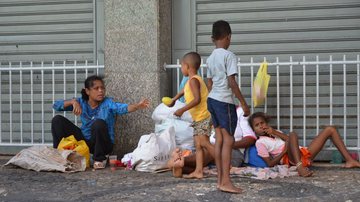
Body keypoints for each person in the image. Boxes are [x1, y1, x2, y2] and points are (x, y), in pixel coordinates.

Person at [51, 75, 150, 169]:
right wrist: (73, 102)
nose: (101, 91)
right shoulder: (81, 102)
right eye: (96, 88)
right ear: (87, 91)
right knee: (57, 120)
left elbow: (123, 108)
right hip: (85, 141)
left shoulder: (107, 103)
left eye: (102, 88)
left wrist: (137, 106)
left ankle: (99, 159)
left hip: (103, 144)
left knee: (98, 123)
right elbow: (56, 105)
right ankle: (59, 155)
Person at [206, 20, 250, 194]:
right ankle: (226, 181)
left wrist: (214, 96)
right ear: (229, 37)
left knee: (219, 138)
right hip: (224, 101)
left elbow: (209, 82)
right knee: (229, 140)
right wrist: (244, 103)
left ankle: (219, 180)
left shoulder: (210, 58)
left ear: (212, 39)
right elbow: (232, 82)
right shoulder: (229, 56)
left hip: (213, 100)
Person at [248, 112, 360, 177]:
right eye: (257, 125)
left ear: (266, 123)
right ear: (254, 130)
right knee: (293, 134)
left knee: (330, 129)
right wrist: (284, 151)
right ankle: (300, 167)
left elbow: (289, 140)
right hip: (290, 159)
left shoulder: (275, 133)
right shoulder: (260, 142)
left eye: (262, 123)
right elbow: (270, 164)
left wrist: (275, 132)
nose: (261, 126)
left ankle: (350, 160)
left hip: (302, 154)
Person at [169, 52, 213, 179]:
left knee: (204, 144)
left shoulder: (194, 81)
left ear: (187, 66)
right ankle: (198, 171)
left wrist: (182, 110)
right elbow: (183, 91)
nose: (181, 68)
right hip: (198, 118)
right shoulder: (190, 81)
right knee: (198, 145)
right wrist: (174, 99)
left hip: (203, 117)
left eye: (182, 66)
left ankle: (224, 164)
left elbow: (197, 99)